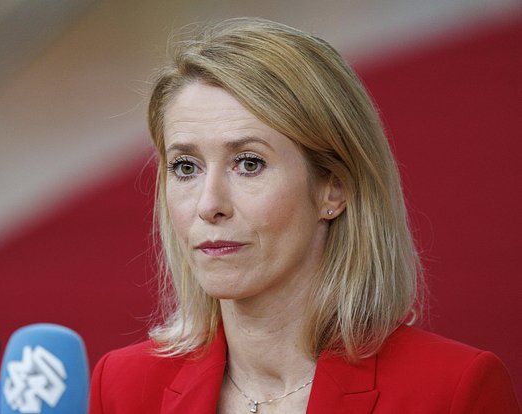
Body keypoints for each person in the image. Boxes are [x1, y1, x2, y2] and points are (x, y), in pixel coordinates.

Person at [89, 17, 520, 413]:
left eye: (249, 163)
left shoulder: (454, 390)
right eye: (186, 167)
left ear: (334, 187)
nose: (208, 204)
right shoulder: (123, 388)